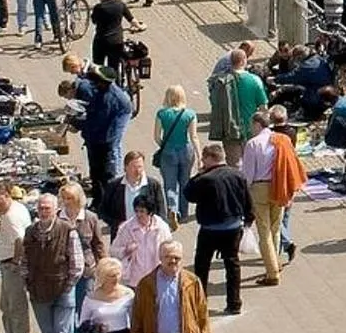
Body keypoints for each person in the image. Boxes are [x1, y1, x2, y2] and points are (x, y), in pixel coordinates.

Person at [182, 141, 251, 315]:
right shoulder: (238, 175)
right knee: (232, 265)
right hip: (233, 227)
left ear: (209, 158)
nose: (202, 162)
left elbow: (189, 194)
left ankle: (200, 303)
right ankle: (234, 303)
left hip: (210, 229)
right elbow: (247, 200)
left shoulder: (205, 179)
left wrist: (198, 174)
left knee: (202, 266)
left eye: (204, 159)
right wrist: (248, 220)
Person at [22, 191, 81, 333]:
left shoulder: (68, 230)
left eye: (47, 208)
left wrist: (69, 285)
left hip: (63, 289)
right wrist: (27, 281)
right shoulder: (30, 232)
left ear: (56, 210)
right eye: (40, 208)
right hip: (38, 291)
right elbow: (24, 259)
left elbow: (77, 262)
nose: (43, 211)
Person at [0, 178, 33, 333]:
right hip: (7, 263)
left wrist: (16, 262)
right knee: (5, 304)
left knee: (16, 306)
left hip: (12, 265)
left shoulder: (11, 216)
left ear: (6, 195)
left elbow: (20, 240)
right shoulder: (15, 208)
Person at [240, 109, 284, 285]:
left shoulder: (253, 144)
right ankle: (276, 261)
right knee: (276, 228)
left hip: (260, 188)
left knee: (264, 232)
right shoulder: (281, 140)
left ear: (257, 124)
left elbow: (248, 173)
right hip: (279, 186)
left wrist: (244, 192)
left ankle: (272, 273)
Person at [79, 65, 131, 199]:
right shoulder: (101, 90)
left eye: (98, 81)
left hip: (104, 140)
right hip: (96, 138)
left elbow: (98, 121)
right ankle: (98, 199)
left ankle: (106, 201)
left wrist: (79, 123)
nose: (95, 83)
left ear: (104, 82)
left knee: (105, 174)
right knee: (95, 172)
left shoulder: (111, 98)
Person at [58, 180, 109, 315]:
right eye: (64, 198)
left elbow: (98, 245)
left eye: (70, 198)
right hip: (64, 272)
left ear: (78, 198)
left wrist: (104, 267)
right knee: (66, 309)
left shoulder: (90, 218)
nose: (66, 202)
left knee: (84, 308)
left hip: (87, 271)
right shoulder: (57, 218)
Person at [153, 87, 197, 223]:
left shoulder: (162, 114)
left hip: (168, 150)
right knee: (185, 181)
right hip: (186, 150)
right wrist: (199, 155)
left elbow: (156, 136)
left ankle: (172, 209)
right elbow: (193, 136)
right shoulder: (190, 114)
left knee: (170, 184)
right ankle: (183, 213)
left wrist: (164, 146)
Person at [111, 191, 172, 287]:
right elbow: (113, 251)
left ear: (150, 212)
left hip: (156, 279)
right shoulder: (126, 228)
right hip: (134, 281)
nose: (138, 214)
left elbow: (170, 251)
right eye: (136, 211)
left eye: (142, 211)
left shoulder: (162, 228)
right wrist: (125, 250)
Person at [269, 107, 306, 267]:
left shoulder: (272, 136)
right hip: (290, 177)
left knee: (275, 219)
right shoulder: (292, 132)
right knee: (285, 217)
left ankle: (286, 243)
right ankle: (280, 246)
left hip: (279, 179)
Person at [97, 151, 165, 232]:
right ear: (125, 167)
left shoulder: (153, 185)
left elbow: (161, 211)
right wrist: (116, 224)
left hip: (147, 234)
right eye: (134, 167)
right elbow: (102, 211)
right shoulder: (114, 186)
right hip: (122, 234)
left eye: (140, 167)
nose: (137, 171)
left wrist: (155, 227)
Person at [88, 0, 135, 73]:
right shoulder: (121, 4)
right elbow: (132, 20)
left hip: (101, 41)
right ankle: (115, 80)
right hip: (116, 41)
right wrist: (140, 26)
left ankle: (99, 80)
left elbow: (94, 21)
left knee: (98, 67)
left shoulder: (99, 7)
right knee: (114, 68)